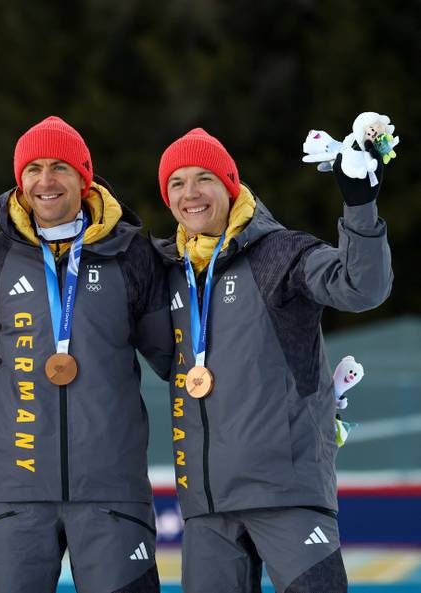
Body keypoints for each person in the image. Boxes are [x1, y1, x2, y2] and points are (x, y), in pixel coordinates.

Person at [153, 128, 393, 593]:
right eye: (177, 183)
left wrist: (359, 203)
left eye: (204, 178)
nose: (190, 193)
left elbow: (362, 288)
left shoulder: (280, 252)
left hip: (287, 493)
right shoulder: (170, 271)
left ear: (229, 184)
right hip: (207, 507)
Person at [0, 116, 172, 593]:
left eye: (60, 167)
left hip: (111, 491)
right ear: (19, 181)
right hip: (15, 491)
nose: (46, 181)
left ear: (84, 177)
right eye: (34, 169)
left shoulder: (130, 253)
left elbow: (177, 359)